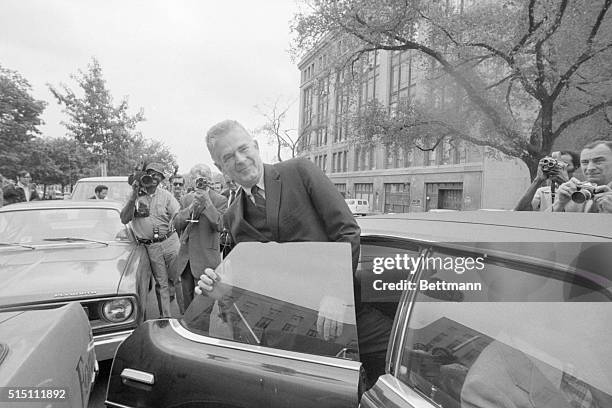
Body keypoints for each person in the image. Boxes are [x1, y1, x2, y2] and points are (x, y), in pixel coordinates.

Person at [196, 119, 390, 387]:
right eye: (228, 157)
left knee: (397, 368)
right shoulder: (232, 217)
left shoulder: (299, 171)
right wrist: (221, 292)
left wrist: (335, 294)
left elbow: (347, 231)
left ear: (255, 145)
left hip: (347, 313)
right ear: (220, 167)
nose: (240, 160)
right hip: (292, 334)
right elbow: (251, 282)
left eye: (243, 149)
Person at [120, 162, 183, 318]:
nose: (154, 177)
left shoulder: (166, 196)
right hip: (152, 246)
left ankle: (186, 316)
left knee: (178, 280)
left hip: (171, 242)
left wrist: (178, 218)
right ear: (144, 176)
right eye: (150, 173)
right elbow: (124, 219)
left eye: (158, 174)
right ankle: (165, 319)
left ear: (161, 178)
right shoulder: (135, 197)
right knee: (162, 284)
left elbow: (178, 214)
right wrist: (134, 195)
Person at [173, 164, 227, 311]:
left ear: (209, 180)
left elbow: (220, 225)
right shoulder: (186, 199)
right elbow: (177, 224)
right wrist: (191, 207)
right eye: (196, 180)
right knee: (186, 304)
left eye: (202, 180)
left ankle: (201, 332)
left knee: (204, 308)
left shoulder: (220, 200)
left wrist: (207, 202)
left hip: (206, 259)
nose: (199, 184)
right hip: (186, 260)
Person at [551, 140, 612, 213]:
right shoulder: (575, 194)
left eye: (598, 161)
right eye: (585, 162)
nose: (590, 168)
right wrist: (559, 204)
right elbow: (544, 222)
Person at [514, 151, 579, 211]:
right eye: (555, 164)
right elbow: (519, 212)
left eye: (564, 164)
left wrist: (565, 182)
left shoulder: (583, 189)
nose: (558, 167)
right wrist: (538, 180)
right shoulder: (543, 192)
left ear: (576, 167)